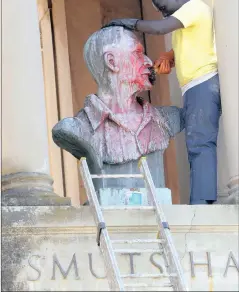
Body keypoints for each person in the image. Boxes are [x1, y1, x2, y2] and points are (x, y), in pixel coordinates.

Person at [103, 0, 221, 205]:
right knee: (197, 143)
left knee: (200, 143)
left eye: (163, 6)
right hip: (195, 87)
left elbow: (159, 28)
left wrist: (131, 23)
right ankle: (202, 198)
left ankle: (203, 202)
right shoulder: (186, 20)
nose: (162, 12)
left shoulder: (194, 8)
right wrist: (168, 57)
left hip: (202, 83)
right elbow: (185, 45)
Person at [52, 26, 184, 199]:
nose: (148, 62)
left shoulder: (166, 119)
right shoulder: (78, 129)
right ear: (111, 61)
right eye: (138, 54)